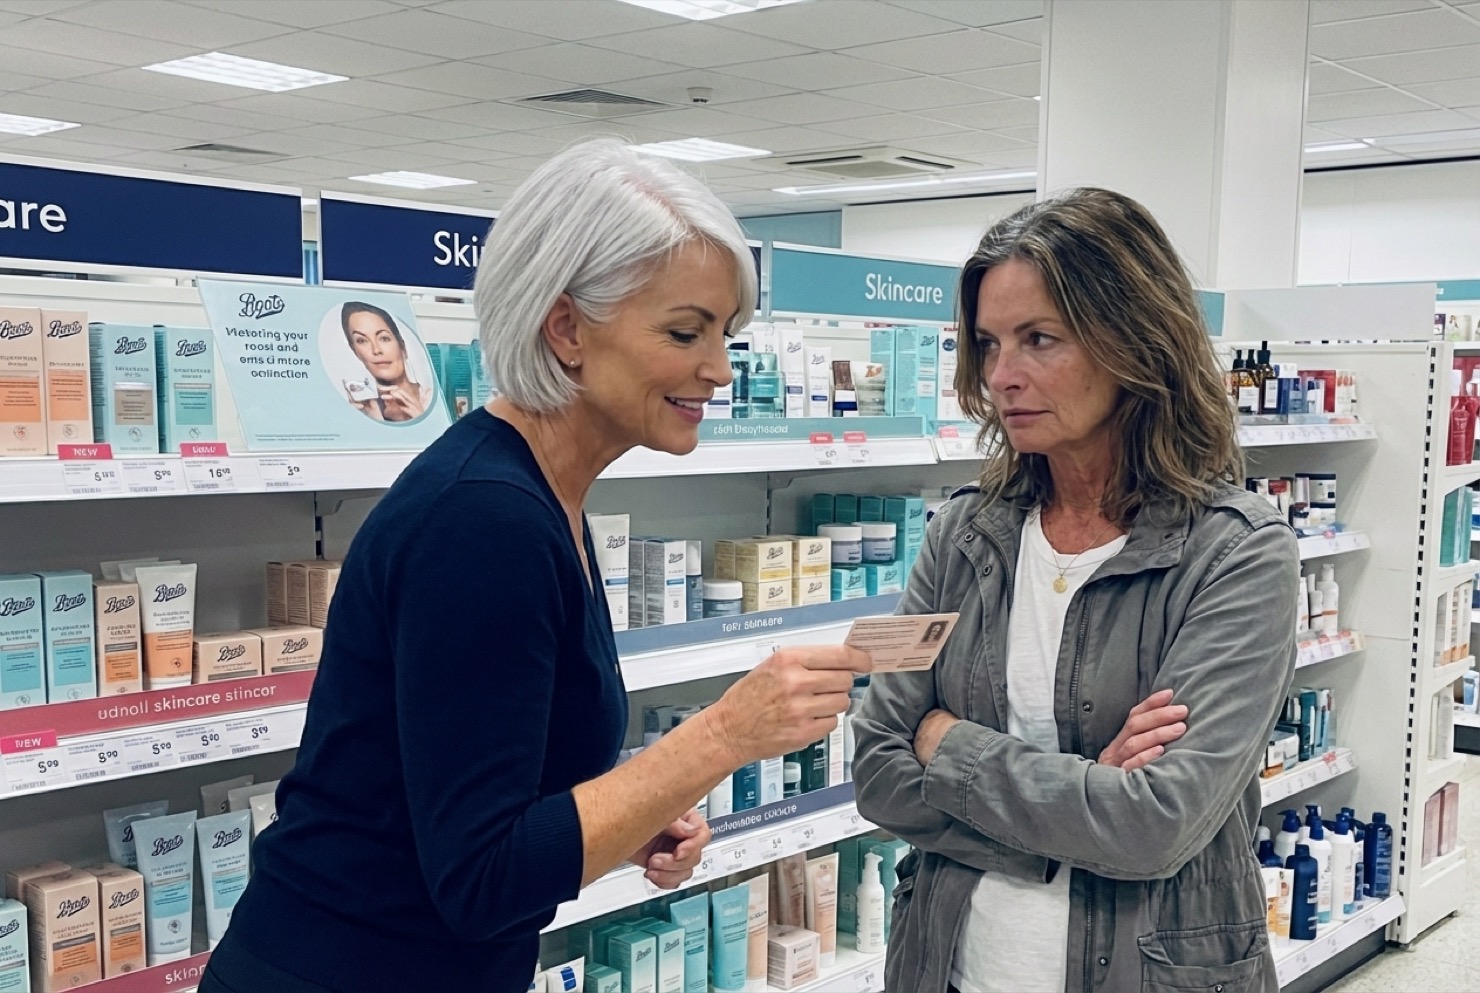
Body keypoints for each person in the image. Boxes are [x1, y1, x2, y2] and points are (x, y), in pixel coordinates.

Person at [201, 139, 871, 993]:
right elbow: (480, 877)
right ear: (566, 328)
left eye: (725, 335)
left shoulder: (544, 492)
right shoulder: (484, 517)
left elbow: (462, 791)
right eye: (684, 331)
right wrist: (724, 734)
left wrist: (623, 819)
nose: (717, 369)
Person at [852, 188, 1299, 993]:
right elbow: (877, 767)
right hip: (950, 969)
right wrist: (1090, 786)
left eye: (1039, 339)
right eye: (989, 344)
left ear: (1133, 340)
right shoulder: (961, 534)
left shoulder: (1237, 553)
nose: (1003, 376)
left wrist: (949, 742)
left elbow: (1153, 825)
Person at [340, 300, 433, 422]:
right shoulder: (361, 409)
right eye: (362, 341)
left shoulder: (430, 399)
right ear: (355, 352)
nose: (376, 350)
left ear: (402, 346)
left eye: (384, 338)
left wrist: (422, 421)